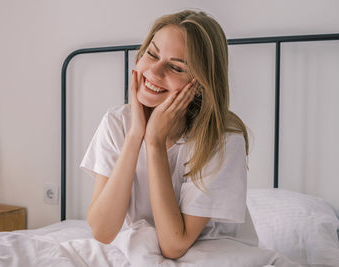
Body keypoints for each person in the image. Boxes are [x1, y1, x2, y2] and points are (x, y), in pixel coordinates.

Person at [80, 10, 258, 260]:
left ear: (199, 86)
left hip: (217, 251)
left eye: (175, 67)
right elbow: (102, 230)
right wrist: (135, 137)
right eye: (152, 54)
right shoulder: (117, 123)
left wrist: (153, 142)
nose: (154, 70)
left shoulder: (222, 140)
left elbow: (174, 245)